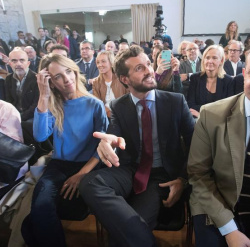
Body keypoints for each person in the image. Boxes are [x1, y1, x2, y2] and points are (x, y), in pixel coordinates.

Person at [79, 45, 194, 247]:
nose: (150, 70)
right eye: (139, 68)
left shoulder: (175, 101)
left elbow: (195, 146)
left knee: (120, 238)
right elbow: (114, 135)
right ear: (125, 79)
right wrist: (107, 142)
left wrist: (183, 179)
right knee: (89, 183)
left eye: (148, 64)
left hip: (159, 176)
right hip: (130, 169)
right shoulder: (118, 105)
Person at [188, 38, 250, 247]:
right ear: (244, 74)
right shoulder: (211, 115)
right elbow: (198, 175)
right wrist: (229, 229)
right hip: (217, 203)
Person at [21, 54, 108, 247]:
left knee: (33, 222)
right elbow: (40, 135)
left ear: (75, 71)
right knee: (39, 210)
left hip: (88, 166)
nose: (67, 79)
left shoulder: (94, 104)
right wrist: (43, 96)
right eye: (58, 76)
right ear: (50, 82)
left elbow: (103, 148)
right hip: (59, 166)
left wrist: (81, 174)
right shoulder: (53, 104)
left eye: (68, 71)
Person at [187, 45, 234, 118]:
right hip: (197, 122)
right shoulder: (195, 78)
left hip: (219, 122)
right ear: (203, 60)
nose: (210, 61)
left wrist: (201, 115)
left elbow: (227, 109)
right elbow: (191, 105)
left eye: (214, 58)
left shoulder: (228, 81)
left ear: (221, 61)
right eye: (207, 58)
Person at [5, 49, 39, 121]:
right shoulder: (8, 79)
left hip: (32, 117)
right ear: (10, 64)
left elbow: (36, 105)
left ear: (28, 63)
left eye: (22, 60)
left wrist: (20, 118)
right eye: (14, 61)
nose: (18, 64)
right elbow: (8, 101)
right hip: (14, 115)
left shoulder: (37, 79)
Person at [92, 51, 128, 118]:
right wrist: (111, 115)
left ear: (111, 63)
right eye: (98, 62)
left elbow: (128, 101)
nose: (100, 65)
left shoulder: (122, 79)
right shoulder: (96, 82)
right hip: (105, 117)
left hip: (123, 115)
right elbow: (98, 104)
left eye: (103, 61)